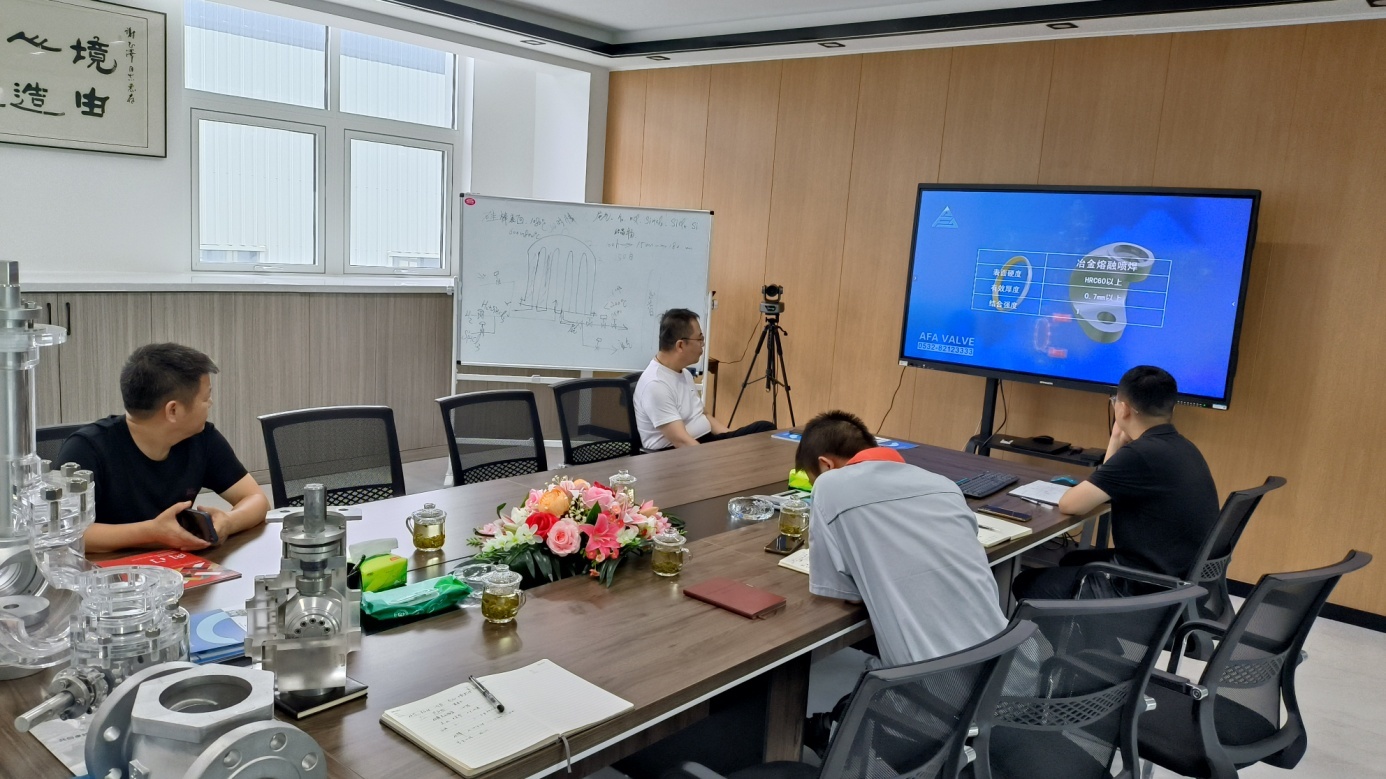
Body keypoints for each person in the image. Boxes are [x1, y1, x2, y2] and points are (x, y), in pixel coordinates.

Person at [799, 410, 1007, 667]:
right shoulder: (944, 485)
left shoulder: (830, 484)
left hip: (933, 679)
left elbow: (849, 594)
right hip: (1006, 660)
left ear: (826, 466)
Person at [1012, 365, 1219, 601]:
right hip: (1178, 581)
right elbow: (1107, 487)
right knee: (1072, 559)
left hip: (1143, 588)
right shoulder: (1183, 447)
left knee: (1026, 583)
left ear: (1123, 408)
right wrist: (1116, 439)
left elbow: (1070, 504)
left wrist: (1117, 439)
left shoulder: (1140, 454)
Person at [56, 343, 268, 553]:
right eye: (206, 398)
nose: (210, 403)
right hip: (106, 570)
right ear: (173, 410)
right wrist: (151, 533)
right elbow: (63, 531)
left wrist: (229, 521)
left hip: (175, 567)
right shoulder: (86, 449)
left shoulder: (202, 439)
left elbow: (256, 499)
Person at [633, 308, 774, 450]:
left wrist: (731, 439)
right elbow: (682, 442)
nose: (703, 344)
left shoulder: (684, 373)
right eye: (699, 339)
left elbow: (703, 414)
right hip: (677, 454)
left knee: (764, 429)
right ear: (680, 345)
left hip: (704, 442)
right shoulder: (655, 385)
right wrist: (723, 455)